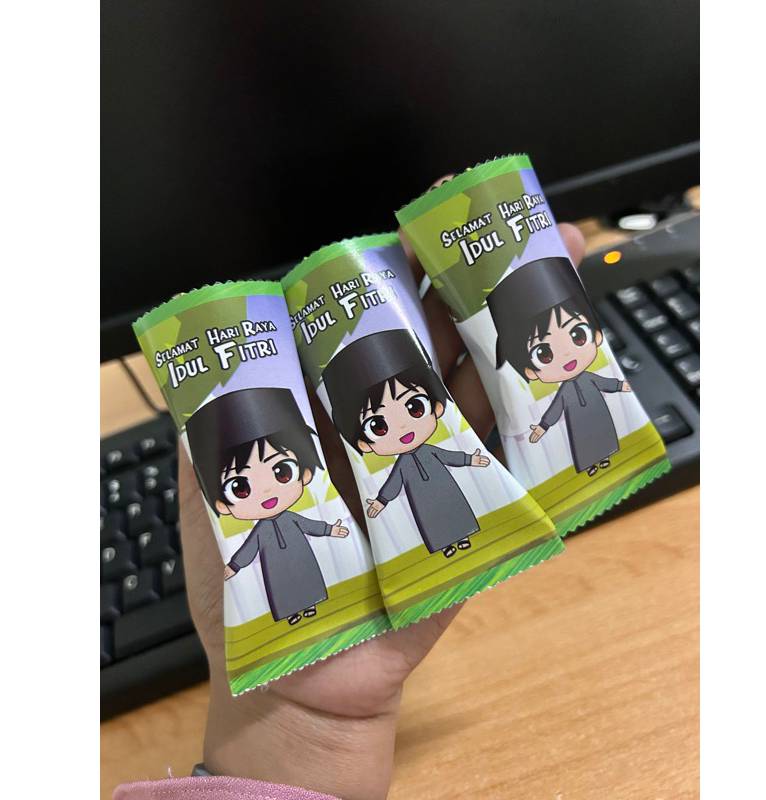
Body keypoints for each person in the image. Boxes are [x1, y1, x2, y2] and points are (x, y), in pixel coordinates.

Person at [113, 196, 587, 800]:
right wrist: (299, 715)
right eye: (240, 486)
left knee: (444, 518)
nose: (265, 490)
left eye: (416, 406)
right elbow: (272, 542)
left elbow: (415, 471)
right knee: (301, 582)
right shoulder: (271, 522)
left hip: (439, 492)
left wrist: (461, 461)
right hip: (295, 576)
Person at [185, 387, 350, 626]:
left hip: (300, 555)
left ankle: (311, 603)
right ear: (222, 505)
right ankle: (291, 612)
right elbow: (249, 549)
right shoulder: (261, 531)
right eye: (240, 487)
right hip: (275, 566)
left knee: (306, 576)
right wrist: (234, 566)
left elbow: (309, 525)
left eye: (281, 472)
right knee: (282, 586)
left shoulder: (292, 518)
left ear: (304, 474)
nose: (266, 491)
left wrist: (330, 530)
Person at [322, 330, 490, 559]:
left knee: (456, 509)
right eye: (378, 426)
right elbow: (393, 483)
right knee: (430, 520)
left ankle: (464, 536)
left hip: (446, 489)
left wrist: (471, 459)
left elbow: (449, 456)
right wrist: (381, 501)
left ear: (437, 407)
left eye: (414, 407)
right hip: (422, 501)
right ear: (364, 444)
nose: (402, 427)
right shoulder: (402, 465)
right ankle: (445, 546)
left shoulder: (430, 451)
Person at [487, 256, 631, 477]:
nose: (566, 354)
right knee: (582, 440)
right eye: (544, 354)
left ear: (597, 336)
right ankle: (590, 464)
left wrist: (620, 386)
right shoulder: (565, 391)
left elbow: (605, 383)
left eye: (577, 335)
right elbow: (555, 409)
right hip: (578, 423)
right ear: (530, 371)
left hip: (599, 414)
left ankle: (605, 456)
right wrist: (543, 426)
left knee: (603, 433)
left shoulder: (589, 378)